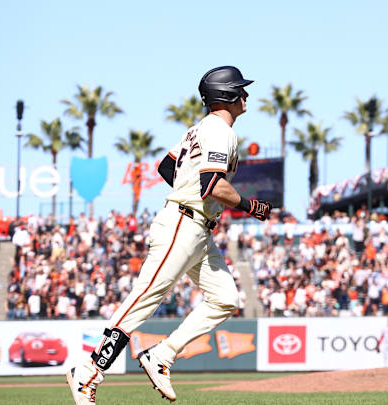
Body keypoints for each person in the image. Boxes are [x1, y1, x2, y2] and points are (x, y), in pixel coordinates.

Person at [66, 66, 272, 404]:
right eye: (240, 89)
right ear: (228, 95)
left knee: (225, 299)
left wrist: (188, 189)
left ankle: (162, 354)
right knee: (144, 299)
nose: (246, 95)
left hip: (196, 228)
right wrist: (253, 207)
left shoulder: (199, 130)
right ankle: (87, 371)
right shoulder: (219, 130)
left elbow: (166, 166)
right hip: (183, 222)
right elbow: (212, 185)